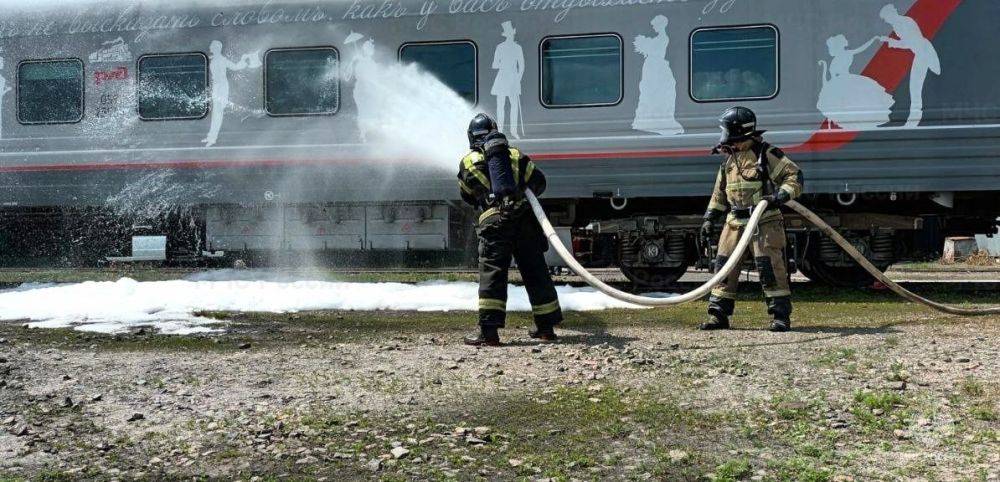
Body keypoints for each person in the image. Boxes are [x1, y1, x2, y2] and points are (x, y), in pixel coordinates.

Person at [457, 113, 562, 346]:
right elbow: (539, 182)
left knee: (493, 274)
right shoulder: (515, 155)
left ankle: (489, 333)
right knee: (535, 271)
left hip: (493, 223)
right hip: (524, 221)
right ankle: (546, 330)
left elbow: (466, 194)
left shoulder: (468, 162)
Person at [701, 107, 803, 332]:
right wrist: (710, 218)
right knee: (724, 268)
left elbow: (794, 176)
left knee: (770, 268)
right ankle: (718, 315)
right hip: (734, 222)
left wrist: (781, 195)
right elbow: (719, 194)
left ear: (739, 133)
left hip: (764, 221)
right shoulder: (729, 160)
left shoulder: (767, 154)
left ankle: (780, 317)